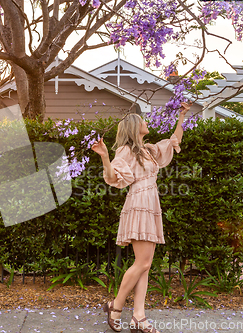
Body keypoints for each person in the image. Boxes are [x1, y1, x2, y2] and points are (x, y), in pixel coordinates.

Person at [91, 102, 191, 333]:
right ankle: (115, 306)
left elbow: (174, 140)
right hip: (138, 203)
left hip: (150, 202)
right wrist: (105, 157)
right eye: (143, 120)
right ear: (135, 126)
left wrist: (182, 116)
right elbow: (113, 178)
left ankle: (138, 315)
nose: (146, 122)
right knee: (143, 262)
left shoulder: (148, 149)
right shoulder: (125, 151)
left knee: (144, 266)